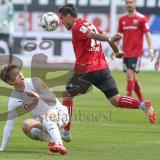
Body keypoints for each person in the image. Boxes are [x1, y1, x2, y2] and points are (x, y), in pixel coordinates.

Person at [57, 4, 156, 142]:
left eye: (61, 18)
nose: (61, 22)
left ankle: (66, 132)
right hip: (102, 69)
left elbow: (93, 35)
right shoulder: (88, 23)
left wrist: (110, 40)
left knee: (67, 95)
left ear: (68, 16)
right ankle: (142, 105)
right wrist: (116, 51)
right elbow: (105, 35)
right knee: (116, 100)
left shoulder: (77, 27)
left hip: (85, 70)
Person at [0, 65, 69, 155]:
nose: (20, 75)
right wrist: (2, 148)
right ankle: (52, 139)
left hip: (60, 114)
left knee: (47, 115)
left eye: (19, 72)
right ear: (10, 81)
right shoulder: (14, 99)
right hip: (43, 122)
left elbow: (52, 100)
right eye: (16, 75)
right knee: (26, 125)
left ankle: (59, 144)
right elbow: (9, 125)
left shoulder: (35, 81)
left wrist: (38, 96)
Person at [115, 0, 154, 100]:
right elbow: (118, 36)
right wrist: (114, 49)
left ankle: (129, 97)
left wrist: (151, 49)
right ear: (125, 4)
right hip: (125, 52)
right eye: (127, 2)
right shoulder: (122, 19)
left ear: (135, 3)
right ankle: (141, 98)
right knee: (132, 76)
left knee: (129, 73)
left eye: (131, 2)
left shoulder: (141, 18)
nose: (129, 4)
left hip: (136, 52)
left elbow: (148, 35)